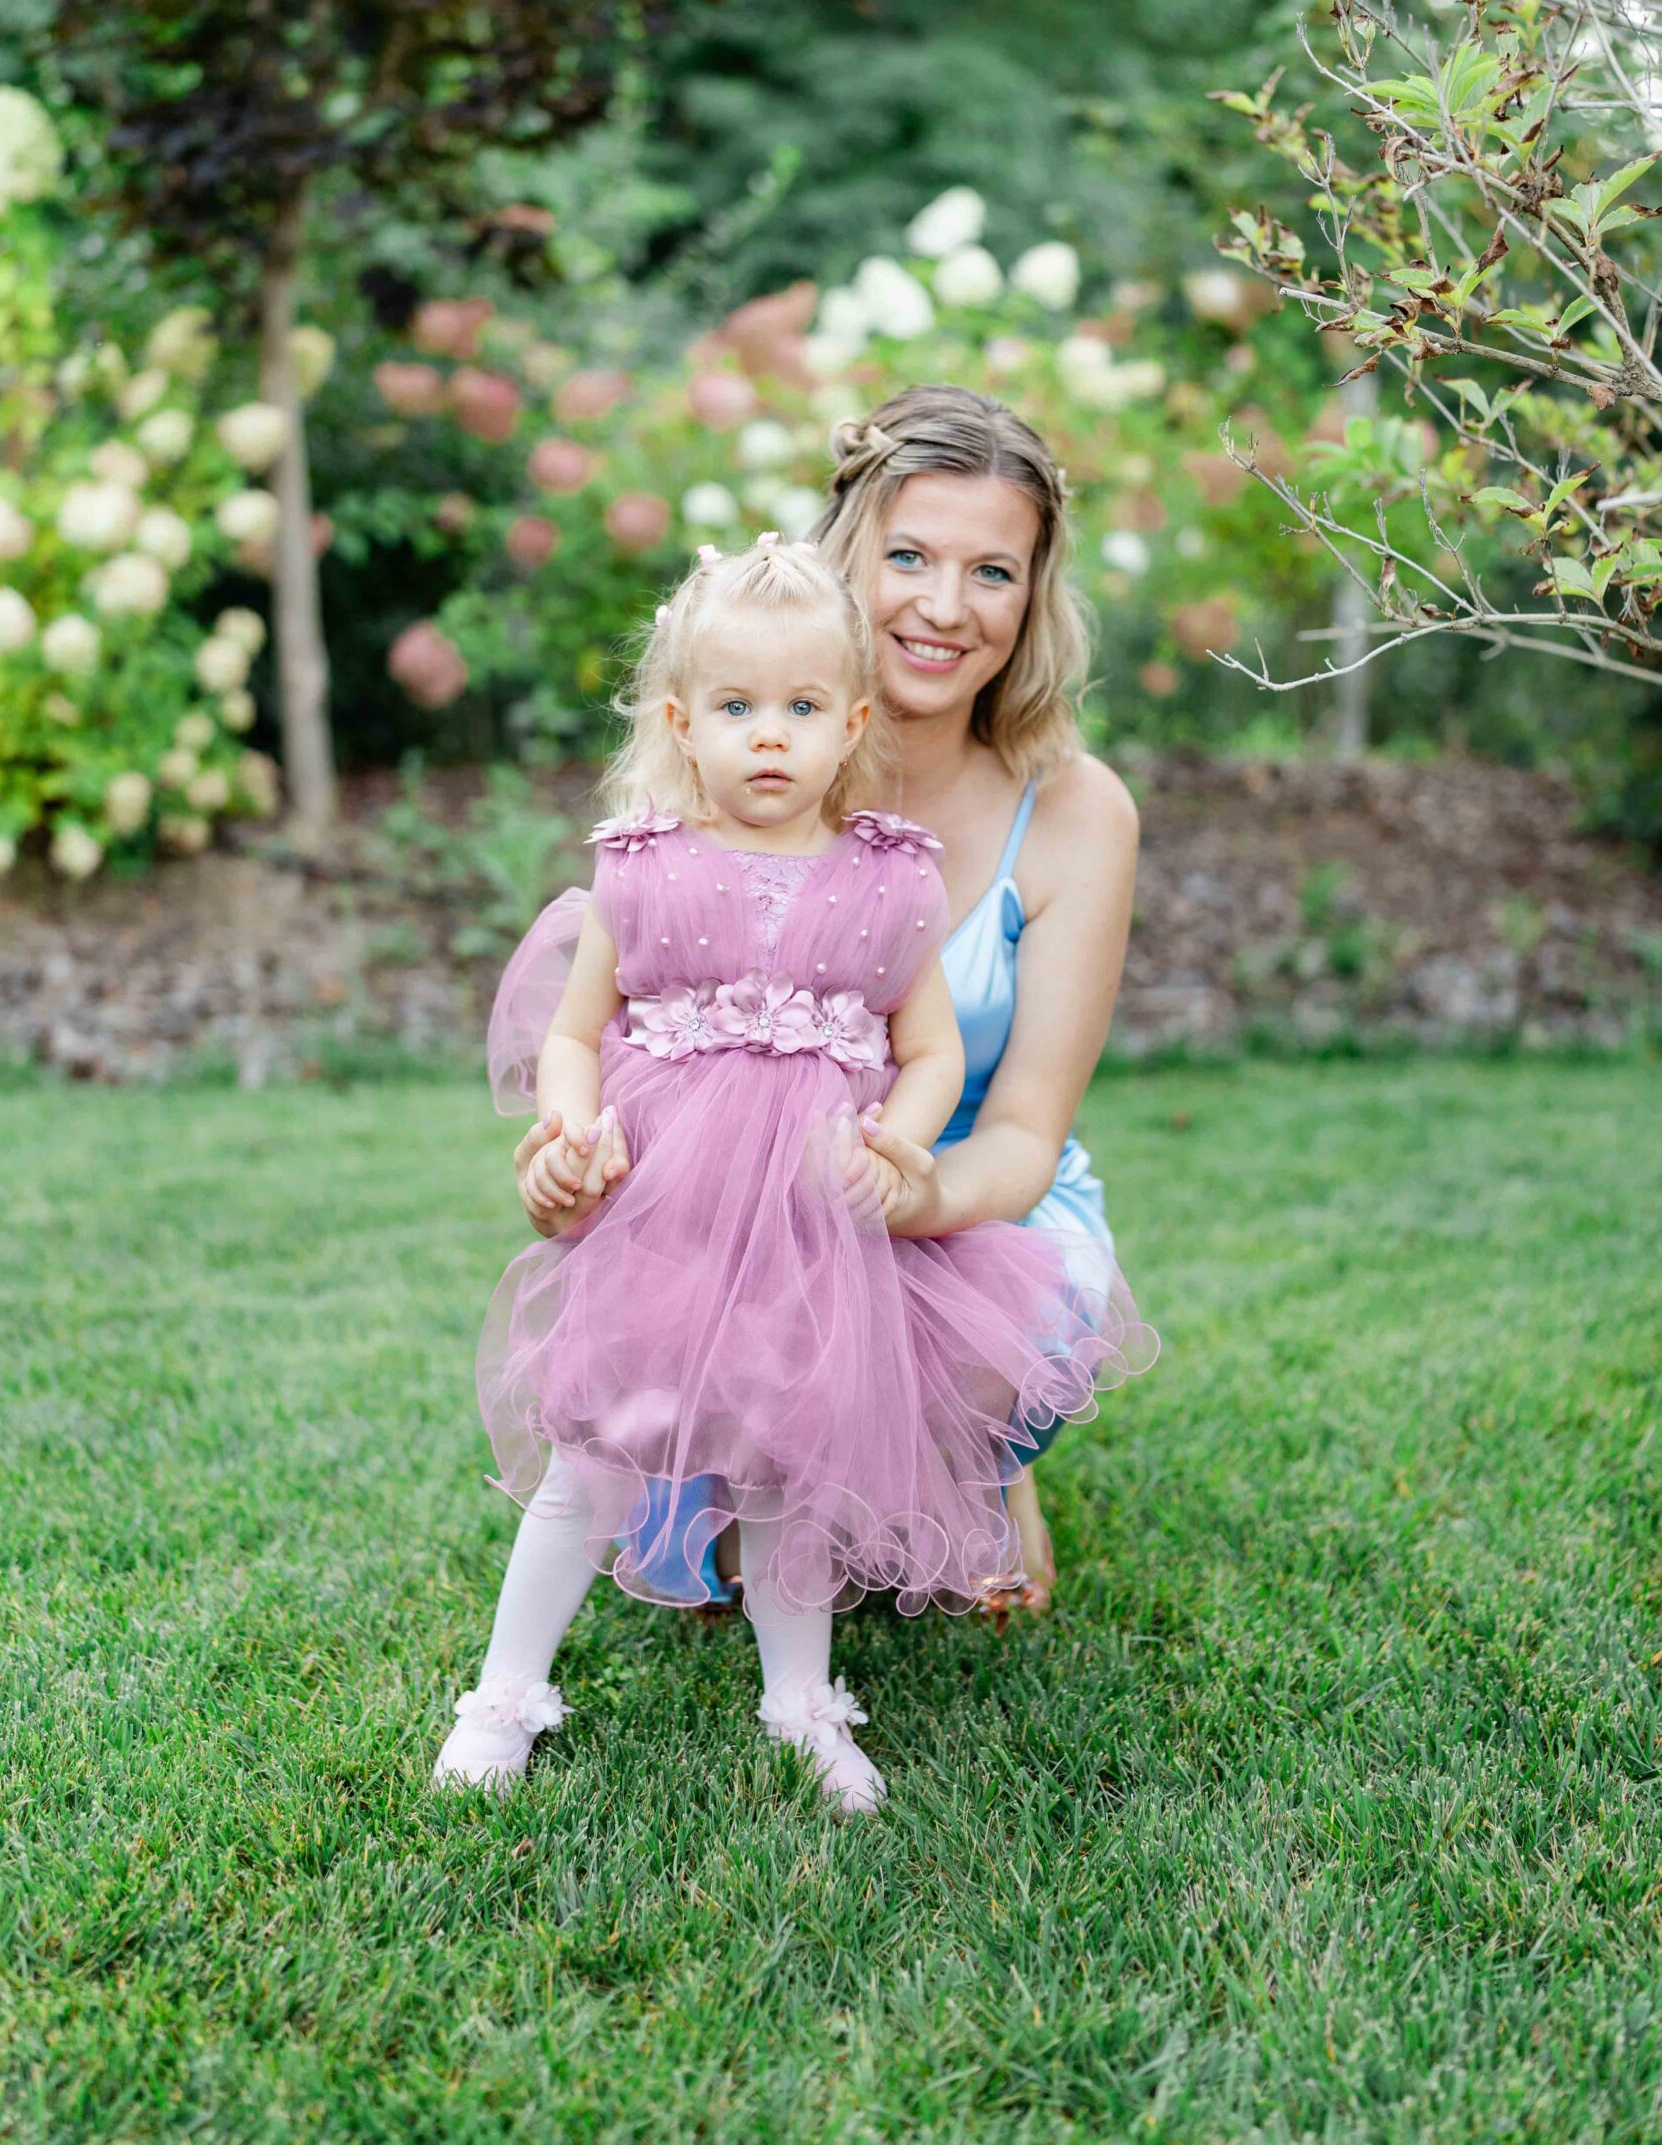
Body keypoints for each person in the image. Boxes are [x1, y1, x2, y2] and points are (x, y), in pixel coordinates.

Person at [434, 533, 1153, 1814]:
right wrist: (571, 1125)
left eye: (805, 708)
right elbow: (574, 1031)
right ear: (680, 722)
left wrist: (901, 1140)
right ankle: (504, 1693)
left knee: (792, 1466)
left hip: (815, 1230)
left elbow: (930, 1050)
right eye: (736, 707)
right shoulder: (642, 865)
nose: (770, 736)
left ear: (852, 723)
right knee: (598, 1452)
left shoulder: (888, 878)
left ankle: (802, 1703)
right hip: (666, 1222)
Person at [511, 384, 1144, 1614]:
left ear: (1034, 597)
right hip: (743, 1204)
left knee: (961, 1373)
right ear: (844, 554)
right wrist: (580, 1157)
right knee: (717, 1538)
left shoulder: (1078, 813)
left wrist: (910, 1196)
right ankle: (778, 1487)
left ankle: (979, 1458)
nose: (944, 607)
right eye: (909, 556)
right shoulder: (733, 774)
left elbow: (1027, 1129)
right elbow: (623, 1043)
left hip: (960, 1200)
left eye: (993, 572)